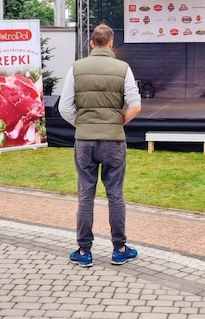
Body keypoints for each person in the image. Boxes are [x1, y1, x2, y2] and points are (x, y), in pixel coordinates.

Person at [58, 24, 142, 267]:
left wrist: (83, 125)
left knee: (86, 195)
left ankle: (84, 252)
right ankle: (120, 249)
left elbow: (64, 108)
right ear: (111, 43)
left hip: (84, 140)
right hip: (114, 141)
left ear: (91, 43)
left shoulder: (76, 68)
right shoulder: (123, 69)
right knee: (115, 194)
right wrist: (116, 123)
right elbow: (135, 105)